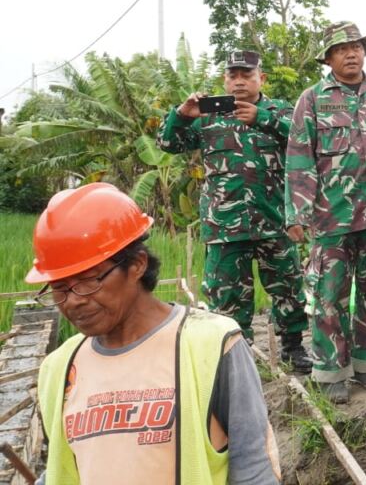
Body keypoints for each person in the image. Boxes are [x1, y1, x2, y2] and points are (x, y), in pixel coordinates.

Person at [30, 182, 280, 484]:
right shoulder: (59, 368)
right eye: (59, 288)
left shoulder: (212, 343)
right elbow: (65, 467)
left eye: (87, 281)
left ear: (136, 265)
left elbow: (253, 467)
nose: (73, 300)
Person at [156, 50, 311, 373]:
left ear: (261, 79)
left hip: (275, 221)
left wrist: (263, 120)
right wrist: (183, 114)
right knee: (227, 297)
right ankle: (237, 357)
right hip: (225, 223)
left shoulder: (280, 110)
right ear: (224, 80)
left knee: (288, 287)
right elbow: (168, 144)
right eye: (233, 75)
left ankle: (293, 348)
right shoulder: (208, 116)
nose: (239, 81)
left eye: (247, 75)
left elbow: (305, 141)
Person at [286, 21, 366, 404]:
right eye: (341, 49)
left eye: (356, 47)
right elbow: (299, 157)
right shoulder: (313, 99)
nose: (351, 54)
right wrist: (297, 214)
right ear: (330, 58)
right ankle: (331, 371)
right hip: (332, 215)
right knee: (328, 294)